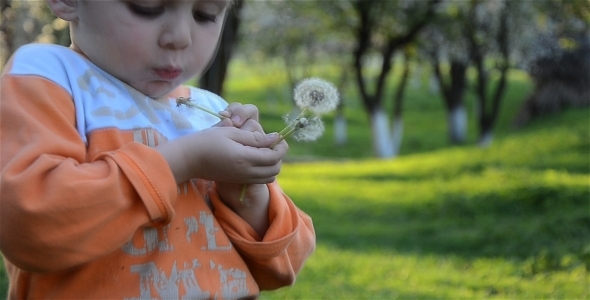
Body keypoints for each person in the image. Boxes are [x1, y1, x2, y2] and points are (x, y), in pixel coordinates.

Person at [0, 0, 316, 298]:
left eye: (205, 14)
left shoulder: (210, 111)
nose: (180, 38)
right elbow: (30, 224)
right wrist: (183, 160)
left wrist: (248, 196)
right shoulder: (48, 77)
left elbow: (285, 265)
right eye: (147, 7)